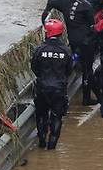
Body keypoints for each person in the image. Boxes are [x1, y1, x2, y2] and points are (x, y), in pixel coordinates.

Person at [43, 0, 99, 105]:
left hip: (73, 41)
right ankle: (86, 98)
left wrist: (46, 12)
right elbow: (91, 25)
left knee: (77, 64)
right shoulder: (86, 5)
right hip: (86, 41)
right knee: (87, 69)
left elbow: (51, 2)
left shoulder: (63, 2)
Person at [31, 19, 74, 150]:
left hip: (42, 87)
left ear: (47, 33)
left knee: (41, 114)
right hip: (59, 89)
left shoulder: (40, 49)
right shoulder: (65, 51)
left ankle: (42, 141)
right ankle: (52, 146)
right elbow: (69, 69)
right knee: (57, 116)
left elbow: (34, 67)